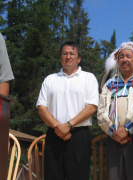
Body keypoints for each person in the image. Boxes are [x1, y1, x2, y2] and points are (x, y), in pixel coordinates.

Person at [36, 41, 99, 180]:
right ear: (60, 57)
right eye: (65, 53)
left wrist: (68, 125)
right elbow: (41, 108)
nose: (68, 56)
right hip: (54, 134)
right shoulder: (50, 79)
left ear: (79, 58)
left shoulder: (89, 78)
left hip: (79, 136)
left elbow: (91, 107)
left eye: (72, 54)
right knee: (52, 175)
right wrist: (59, 127)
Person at [97, 41, 133, 180]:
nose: (124, 60)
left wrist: (128, 129)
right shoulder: (110, 84)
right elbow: (100, 113)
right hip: (114, 138)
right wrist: (113, 132)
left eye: (129, 56)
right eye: (121, 57)